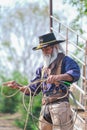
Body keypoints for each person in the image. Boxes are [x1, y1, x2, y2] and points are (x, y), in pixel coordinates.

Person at [3, 32, 80, 130]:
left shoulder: (65, 61)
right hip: (45, 108)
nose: (45, 52)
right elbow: (32, 90)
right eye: (43, 50)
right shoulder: (42, 69)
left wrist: (58, 77)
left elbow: (75, 74)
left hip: (60, 106)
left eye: (47, 49)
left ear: (55, 47)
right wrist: (18, 86)